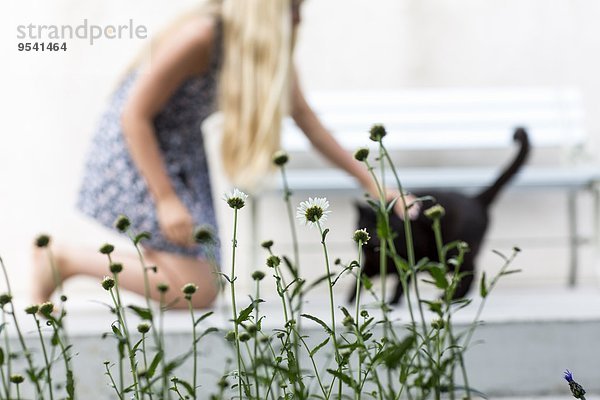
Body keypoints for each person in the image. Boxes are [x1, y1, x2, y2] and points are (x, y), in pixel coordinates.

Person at [32, 0, 415, 309]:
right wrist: (165, 199)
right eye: (292, 7)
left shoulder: (259, 52)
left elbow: (309, 124)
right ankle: (63, 260)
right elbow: (133, 115)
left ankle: (63, 263)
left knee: (201, 283)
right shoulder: (203, 35)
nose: (299, 18)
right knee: (197, 289)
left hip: (180, 159)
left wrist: (378, 186)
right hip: (138, 154)